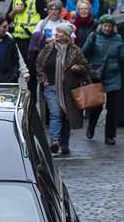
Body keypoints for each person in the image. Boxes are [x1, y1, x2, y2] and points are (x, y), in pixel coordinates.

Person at [36, 23, 90, 156]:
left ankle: (64, 143)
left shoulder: (75, 50)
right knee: (55, 113)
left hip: (68, 88)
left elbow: (85, 66)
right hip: (51, 87)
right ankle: (54, 141)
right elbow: (38, 64)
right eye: (57, 32)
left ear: (66, 35)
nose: (56, 34)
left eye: (60, 32)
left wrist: (78, 68)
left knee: (66, 115)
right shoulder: (48, 48)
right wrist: (43, 79)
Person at [81, 16, 124, 146]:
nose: (107, 28)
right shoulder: (94, 36)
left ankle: (110, 136)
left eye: (109, 26)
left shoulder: (117, 39)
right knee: (97, 105)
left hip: (113, 76)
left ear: (113, 27)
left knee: (112, 108)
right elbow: (83, 52)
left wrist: (121, 48)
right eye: (105, 25)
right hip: (97, 75)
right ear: (101, 25)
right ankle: (91, 126)